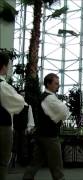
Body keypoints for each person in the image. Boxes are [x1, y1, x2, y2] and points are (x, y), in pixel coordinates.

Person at [23, 73, 69, 180]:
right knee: (56, 164)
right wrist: (63, 112)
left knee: (36, 162)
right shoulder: (49, 98)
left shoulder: (46, 97)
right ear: (48, 84)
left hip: (41, 134)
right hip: (50, 136)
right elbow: (63, 112)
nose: (58, 86)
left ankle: (27, 178)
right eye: (56, 83)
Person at [0, 51, 25, 180]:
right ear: (3, 66)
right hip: (3, 127)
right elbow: (19, 103)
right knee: (3, 160)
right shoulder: (3, 86)